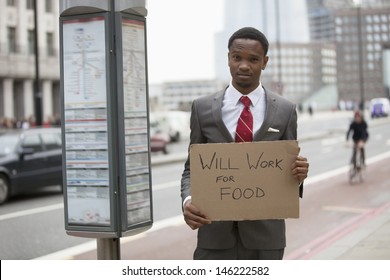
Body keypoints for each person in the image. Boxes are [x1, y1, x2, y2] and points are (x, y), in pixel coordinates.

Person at [180, 27, 309, 260]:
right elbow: (192, 169)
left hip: (266, 239)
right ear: (228, 58)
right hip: (214, 235)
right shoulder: (202, 108)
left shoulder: (285, 111)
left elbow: (287, 174)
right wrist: (188, 200)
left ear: (265, 62)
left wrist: (298, 174)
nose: (244, 65)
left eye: (253, 59)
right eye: (237, 57)